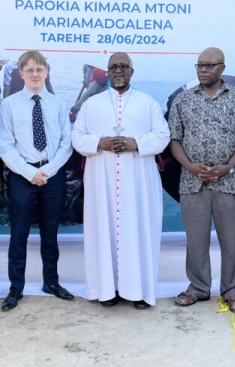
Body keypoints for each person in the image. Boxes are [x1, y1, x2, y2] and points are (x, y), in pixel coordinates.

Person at [71, 52, 170, 309]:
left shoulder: (147, 103)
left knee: (138, 231)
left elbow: (162, 136)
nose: (118, 71)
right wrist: (98, 142)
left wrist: (135, 143)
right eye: (113, 67)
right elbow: (76, 137)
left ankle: (138, 291)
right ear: (107, 71)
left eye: (123, 66)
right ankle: (107, 290)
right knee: (103, 231)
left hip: (138, 182)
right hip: (101, 180)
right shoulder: (91, 104)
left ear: (131, 72)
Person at [168, 47, 235, 313]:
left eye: (209, 65)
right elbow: (174, 139)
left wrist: (228, 167)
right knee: (195, 239)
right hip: (192, 181)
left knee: (232, 240)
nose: (203, 70)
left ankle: (232, 290)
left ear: (222, 67)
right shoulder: (183, 101)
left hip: (229, 181)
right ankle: (198, 287)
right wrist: (190, 166)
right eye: (199, 66)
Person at [0, 50, 74, 311]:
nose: (34, 74)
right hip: (22, 175)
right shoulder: (9, 105)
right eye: (29, 70)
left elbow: (66, 144)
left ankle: (50, 281)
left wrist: (48, 171)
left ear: (46, 72)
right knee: (18, 234)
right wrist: (30, 173)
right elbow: (5, 146)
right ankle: (15, 287)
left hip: (52, 175)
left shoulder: (59, 104)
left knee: (50, 233)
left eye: (39, 69)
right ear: (21, 74)